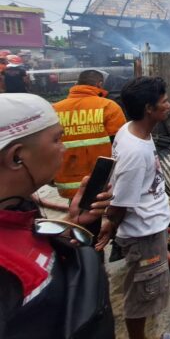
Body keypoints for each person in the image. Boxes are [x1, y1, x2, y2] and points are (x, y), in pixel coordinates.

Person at [0, 93, 115, 338]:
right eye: (57, 139)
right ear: (16, 157)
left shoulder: (17, 214)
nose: (64, 148)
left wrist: (72, 224)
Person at [97, 77, 170, 339]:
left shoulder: (133, 130)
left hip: (150, 228)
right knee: (142, 295)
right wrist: (110, 226)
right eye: (164, 102)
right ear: (149, 109)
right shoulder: (135, 153)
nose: (169, 105)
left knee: (148, 288)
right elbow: (119, 204)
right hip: (143, 234)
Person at [53, 70, 126, 200]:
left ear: (76, 84)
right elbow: (121, 145)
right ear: (99, 84)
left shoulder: (54, 109)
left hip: (66, 184)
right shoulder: (109, 106)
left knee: (75, 213)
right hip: (100, 183)